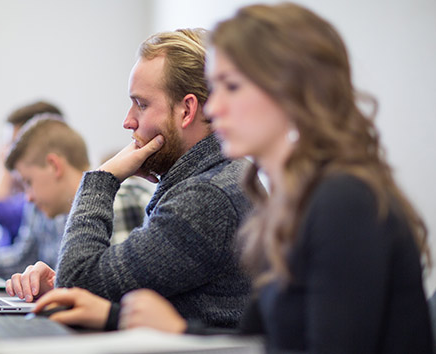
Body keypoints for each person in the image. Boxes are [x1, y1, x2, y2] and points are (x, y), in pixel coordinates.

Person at [98, 3, 433, 353]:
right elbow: (260, 341)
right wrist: (138, 321)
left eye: (231, 86)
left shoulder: (343, 201)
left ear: (289, 91)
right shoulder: (291, 201)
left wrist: (179, 334)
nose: (214, 108)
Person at [6, 28, 256, 329]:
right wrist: (61, 285)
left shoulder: (207, 196)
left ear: (187, 110)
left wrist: (102, 177)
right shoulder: (214, 177)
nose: (128, 121)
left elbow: (80, 283)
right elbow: (124, 291)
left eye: (142, 104)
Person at [0, 116, 152, 277]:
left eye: (28, 182)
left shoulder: (116, 199)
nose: (28, 197)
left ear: (54, 166)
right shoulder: (47, 210)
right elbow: (22, 259)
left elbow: (115, 289)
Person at [0, 100, 63, 248]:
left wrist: (4, 166)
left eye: (13, 144)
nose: (7, 151)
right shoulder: (31, 196)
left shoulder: (42, 197)